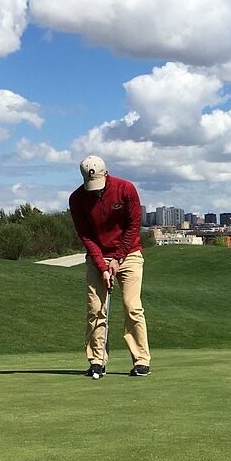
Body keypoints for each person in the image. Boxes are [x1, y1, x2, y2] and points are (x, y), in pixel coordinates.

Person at [68, 155, 151, 379]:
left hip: (130, 254)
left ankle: (141, 360)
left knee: (132, 306)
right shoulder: (77, 199)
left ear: (107, 173)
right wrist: (102, 266)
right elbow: (86, 235)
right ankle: (97, 360)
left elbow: (133, 226)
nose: (95, 191)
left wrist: (117, 258)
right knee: (96, 309)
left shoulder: (126, 189)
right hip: (98, 257)